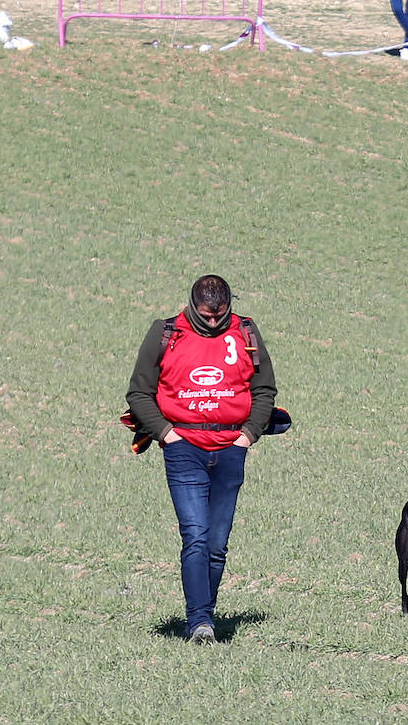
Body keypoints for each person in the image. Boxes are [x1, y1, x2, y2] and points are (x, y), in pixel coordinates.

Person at [125, 275, 277, 644]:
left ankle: (203, 613)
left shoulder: (246, 333)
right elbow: (138, 393)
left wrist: (248, 436)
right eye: (206, 316)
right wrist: (166, 434)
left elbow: (265, 389)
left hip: (230, 449)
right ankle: (200, 622)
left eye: (219, 316)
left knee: (217, 543)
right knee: (195, 534)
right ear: (193, 304)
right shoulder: (165, 333)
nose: (213, 323)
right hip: (184, 449)